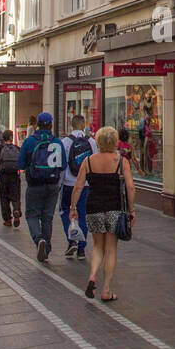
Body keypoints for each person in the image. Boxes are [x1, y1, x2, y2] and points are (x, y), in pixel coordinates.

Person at [70, 125, 135, 304]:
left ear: (97, 141)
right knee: (111, 249)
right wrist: (132, 210)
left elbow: (78, 186)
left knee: (98, 246)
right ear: (115, 142)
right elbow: (130, 187)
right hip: (114, 207)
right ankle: (106, 290)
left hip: (93, 207)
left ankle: (92, 275)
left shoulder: (88, 161)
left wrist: (73, 207)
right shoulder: (121, 161)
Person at [18, 111, 65, 263]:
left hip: (34, 184)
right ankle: (47, 248)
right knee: (48, 217)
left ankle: (39, 239)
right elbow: (63, 165)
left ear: (38, 124)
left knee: (32, 215)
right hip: (52, 185)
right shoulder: (57, 142)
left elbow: (21, 164)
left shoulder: (30, 141)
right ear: (51, 124)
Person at [60, 116, 98, 260]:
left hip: (69, 183)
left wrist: (60, 183)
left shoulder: (65, 142)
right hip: (86, 184)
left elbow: (63, 166)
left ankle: (72, 241)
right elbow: (94, 163)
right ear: (84, 125)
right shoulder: (91, 142)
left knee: (65, 212)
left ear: (71, 124)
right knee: (82, 214)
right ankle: (82, 248)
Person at [0, 129, 22, 227]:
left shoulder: (0, 149)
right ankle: (16, 210)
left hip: (3, 176)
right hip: (14, 175)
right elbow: (22, 162)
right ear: (11, 137)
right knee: (15, 196)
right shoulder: (17, 148)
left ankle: (7, 219)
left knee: (4, 198)